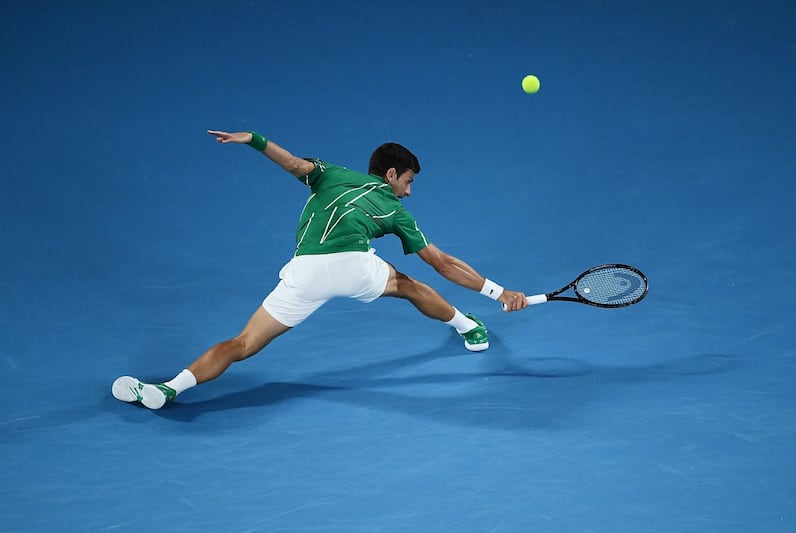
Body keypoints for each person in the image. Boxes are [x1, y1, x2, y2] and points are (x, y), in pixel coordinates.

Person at [112, 129, 529, 409]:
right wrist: (499, 292)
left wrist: (254, 139)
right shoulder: (395, 209)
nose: (409, 190)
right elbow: (443, 263)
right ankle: (468, 327)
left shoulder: (333, 174)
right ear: (391, 174)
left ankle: (168, 389)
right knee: (409, 286)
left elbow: (292, 163)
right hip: (353, 267)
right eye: (408, 181)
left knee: (242, 344)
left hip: (305, 273)